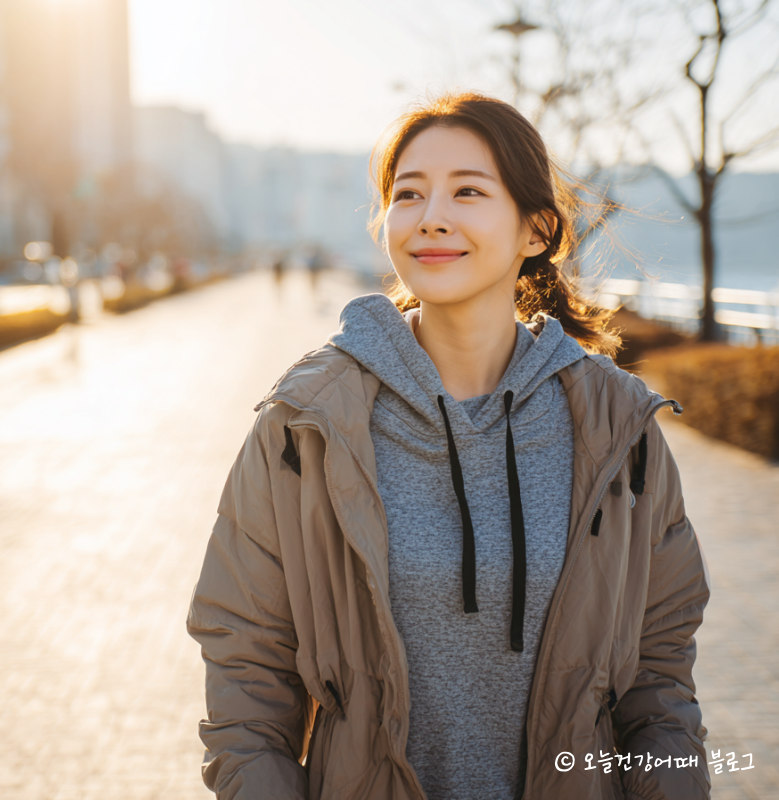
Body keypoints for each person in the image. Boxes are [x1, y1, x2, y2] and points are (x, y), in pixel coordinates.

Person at [186, 93, 711, 800]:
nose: (431, 215)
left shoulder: (620, 431)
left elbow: (660, 683)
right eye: (408, 194)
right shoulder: (304, 427)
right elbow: (247, 677)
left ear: (537, 229)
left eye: (468, 190)